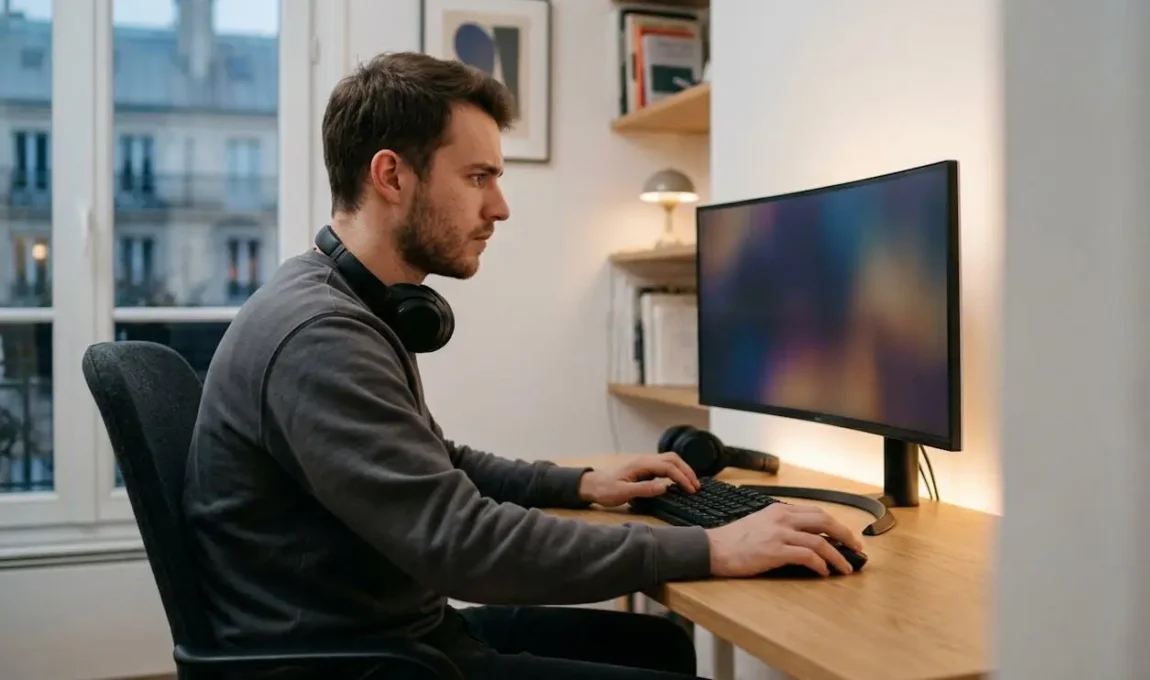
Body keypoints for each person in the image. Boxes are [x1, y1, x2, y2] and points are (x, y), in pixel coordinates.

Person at [182, 51, 864, 680]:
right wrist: (716, 548)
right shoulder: (319, 336)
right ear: (391, 175)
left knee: (660, 646)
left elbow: (435, 463)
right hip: (359, 662)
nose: (499, 207)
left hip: (389, 632)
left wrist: (582, 484)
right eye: (478, 177)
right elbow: (465, 545)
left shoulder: (341, 304)